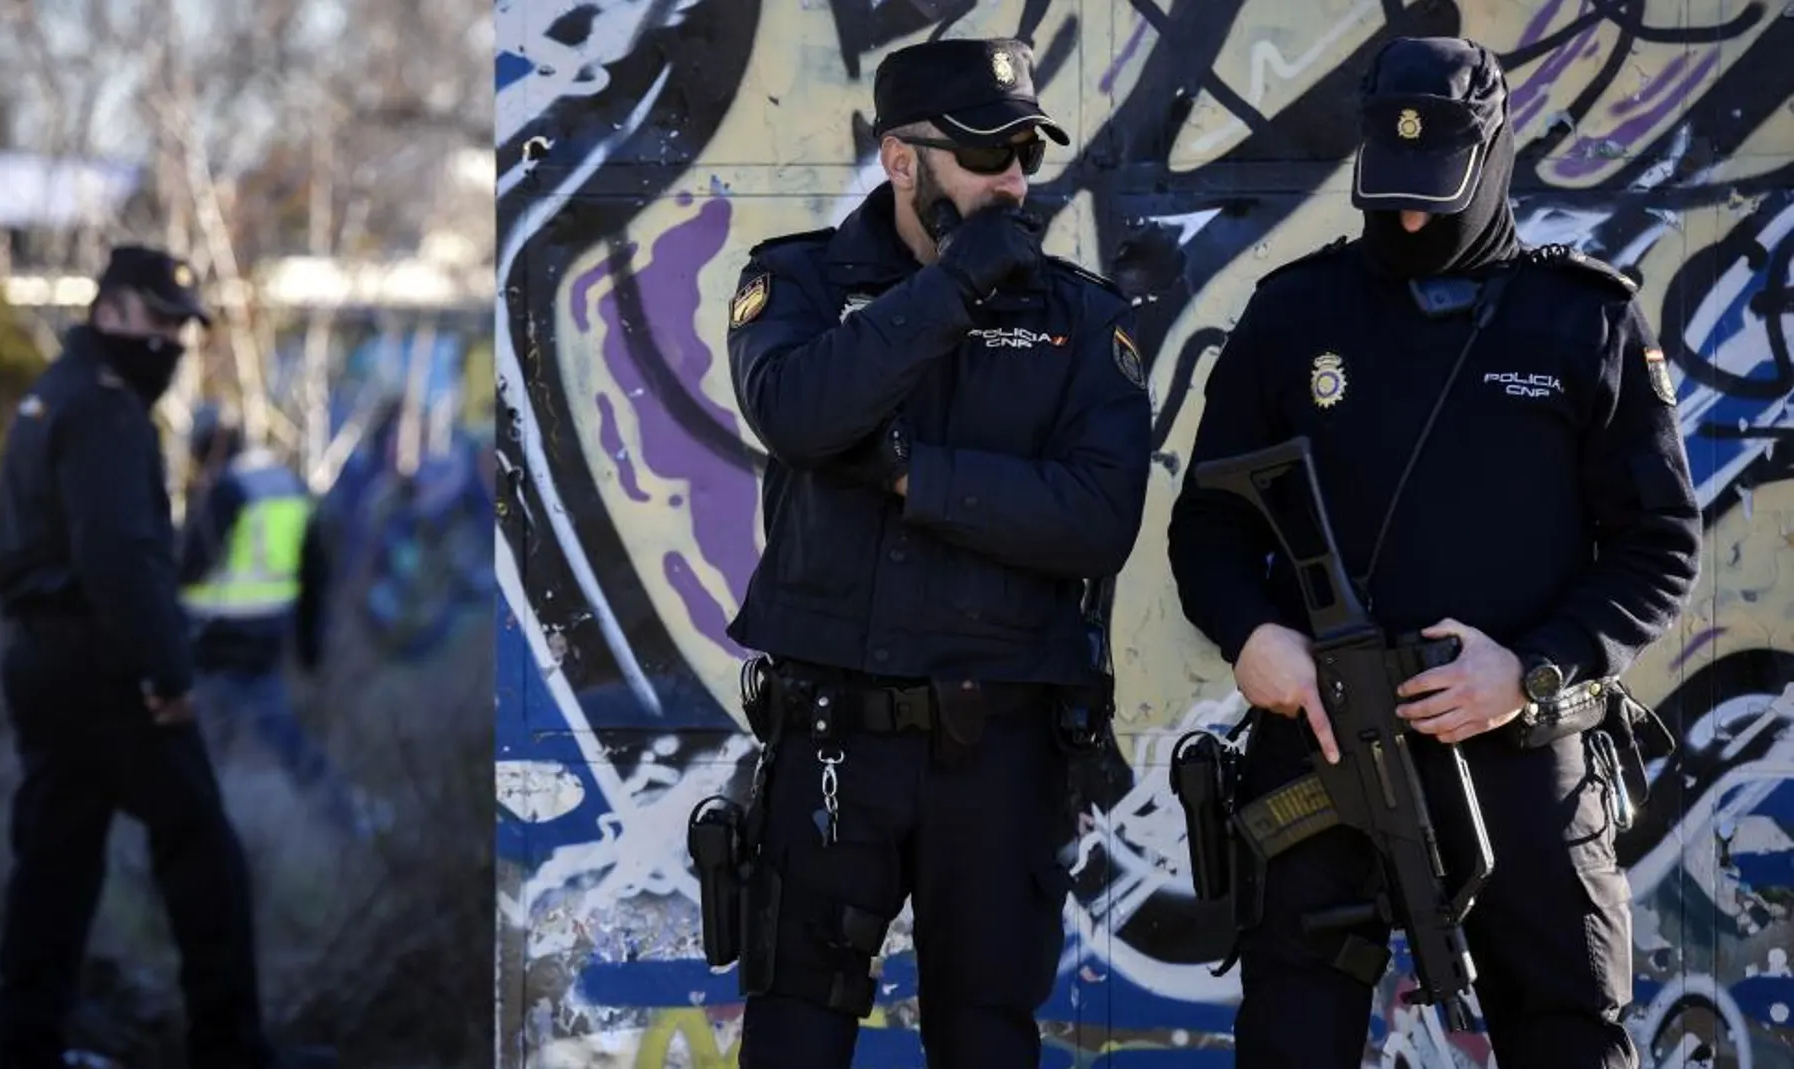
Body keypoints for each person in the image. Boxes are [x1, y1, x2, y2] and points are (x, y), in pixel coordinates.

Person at [1166, 37, 1702, 1069]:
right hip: (1322, 739)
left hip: (1520, 756)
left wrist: (1531, 668)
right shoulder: (1294, 313)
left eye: (1434, 194)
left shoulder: (1583, 317)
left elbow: (1658, 545)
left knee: (1569, 1034)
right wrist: (1250, 637)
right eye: (1391, 193)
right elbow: (1207, 525)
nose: (1410, 218)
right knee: (1289, 1036)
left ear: (1493, 156)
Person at [719, 36, 1153, 1069]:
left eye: (1025, 154)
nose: (1011, 177)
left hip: (996, 750)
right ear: (901, 159)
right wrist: (948, 288)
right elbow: (797, 410)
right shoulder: (798, 287)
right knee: (793, 1029)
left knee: (986, 1035)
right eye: (984, 152)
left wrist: (913, 474)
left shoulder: (1079, 318)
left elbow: (1097, 518)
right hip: (832, 741)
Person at [0, 245, 278, 1069]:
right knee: (204, 856)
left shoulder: (54, 396)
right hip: (109, 670)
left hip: (43, 660)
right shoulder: (107, 410)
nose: (175, 342)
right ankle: (233, 1051)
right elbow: (117, 557)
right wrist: (169, 675)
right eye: (160, 320)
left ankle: (25, 1045)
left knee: (55, 865)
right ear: (108, 311)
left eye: (184, 325)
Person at [176, 405, 363, 835]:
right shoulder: (288, 484)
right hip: (267, 636)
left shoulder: (225, 490)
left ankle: (197, 835)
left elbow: (192, 568)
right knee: (284, 739)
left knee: (194, 746)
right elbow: (314, 572)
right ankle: (346, 821)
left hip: (212, 638)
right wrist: (310, 646)